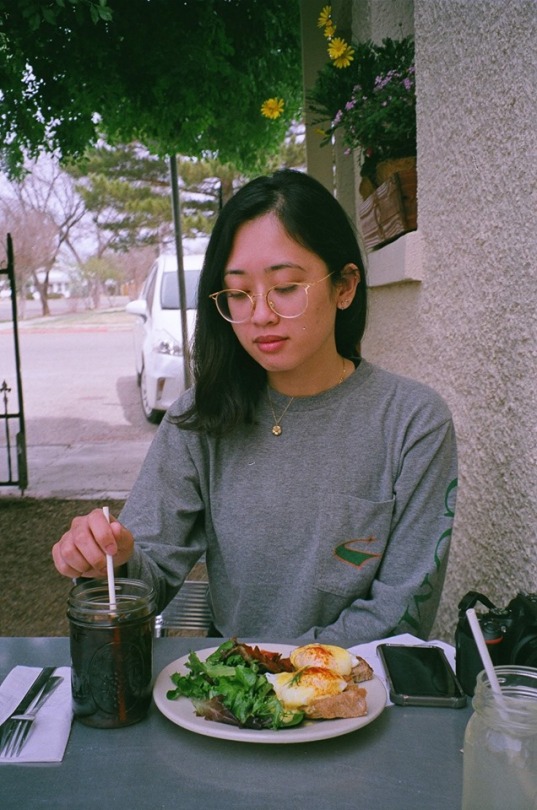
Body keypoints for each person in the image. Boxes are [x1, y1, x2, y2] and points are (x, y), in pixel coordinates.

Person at [52, 169, 457, 647]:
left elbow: (401, 613)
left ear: (345, 286)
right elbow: (148, 580)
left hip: (354, 683)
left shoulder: (413, 422)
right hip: (230, 686)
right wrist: (111, 559)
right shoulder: (199, 419)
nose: (261, 314)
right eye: (239, 293)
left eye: (285, 287)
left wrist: (280, 671)